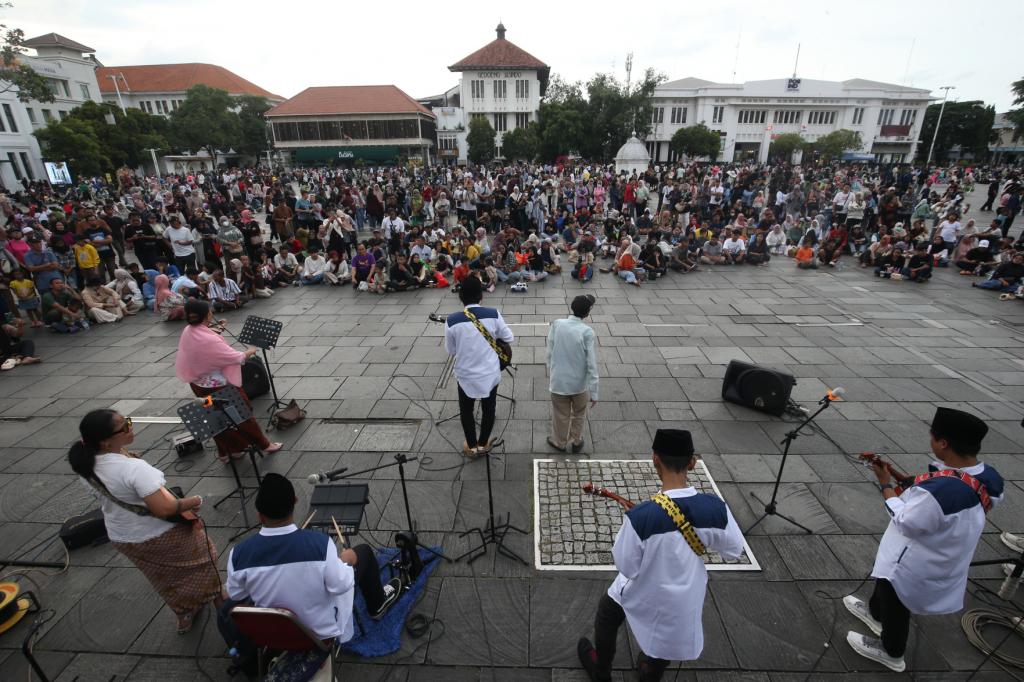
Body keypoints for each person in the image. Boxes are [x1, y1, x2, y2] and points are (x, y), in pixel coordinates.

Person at [577, 429, 744, 682]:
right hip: (685, 594)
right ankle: (650, 671)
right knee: (669, 631)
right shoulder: (716, 508)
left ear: (655, 459)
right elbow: (734, 550)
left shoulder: (641, 517)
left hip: (646, 590)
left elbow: (627, 567)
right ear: (692, 463)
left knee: (607, 615)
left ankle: (602, 670)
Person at [845, 407, 1003, 672]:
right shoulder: (988, 476)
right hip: (942, 552)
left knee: (895, 599)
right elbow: (944, 487)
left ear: (943, 443)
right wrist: (895, 474)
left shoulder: (940, 493)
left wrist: (885, 484)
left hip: (914, 562)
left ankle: (891, 652)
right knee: (882, 582)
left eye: (932, 437)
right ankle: (874, 615)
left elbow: (907, 520)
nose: (930, 441)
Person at [219, 474, 403, 671]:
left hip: (271, 636)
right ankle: (377, 606)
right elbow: (341, 585)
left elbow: (235, 594)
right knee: (363, 552)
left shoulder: (238, 554)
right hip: (318, 636)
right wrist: (348, 560)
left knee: (228, 601)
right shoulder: (320, 544)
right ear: (295, 502)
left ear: (259, 514)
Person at [67, 409, 219, 634]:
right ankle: (219, 599)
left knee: (165, 579)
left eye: (127, 421)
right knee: (203, 562)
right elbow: (164, 508)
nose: (130, 426)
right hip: (158, 534)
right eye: (124, 426)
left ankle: (184, 612)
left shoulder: (85, 465)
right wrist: (194, 501)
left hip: (123, 536)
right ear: (105, 442)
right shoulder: (132, 469)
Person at [174, 299, 281, 463]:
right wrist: (251, 350)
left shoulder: (188, 330)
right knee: (243, 416)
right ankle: (264, 445)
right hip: (218, 386)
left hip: (199, 386)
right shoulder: (209, 340)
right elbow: (235, 357)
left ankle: (228, 452)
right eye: (210, 311)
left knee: (216, 420)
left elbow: (205, 341)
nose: (212, 313)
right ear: (207, 314)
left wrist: (218, 329)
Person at [444, 275, 513, 457]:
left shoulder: (451, 320)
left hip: (465, 375)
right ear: (481, 296)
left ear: (460, 297)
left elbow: (451, 350)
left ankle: (472, 447)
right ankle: (483, 444)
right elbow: (509, 338)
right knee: (489, 408)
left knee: (466, 411)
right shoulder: (493, 314)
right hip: (490, 373)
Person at [546, 294, 599, 454]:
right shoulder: (587, 332)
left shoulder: (557, 324)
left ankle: (559, 442)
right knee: (579, 413)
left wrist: (552, 369)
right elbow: (591, 363)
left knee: (560, 415)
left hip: (559, 382)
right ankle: (576, 440)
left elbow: (549, 350)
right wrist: (594, 391)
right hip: (579, 384)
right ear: (587, 312)